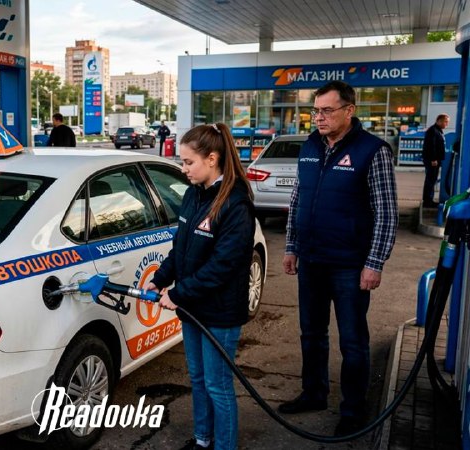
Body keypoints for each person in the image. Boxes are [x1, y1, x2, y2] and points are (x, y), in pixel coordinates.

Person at [280, 81, 398, 436]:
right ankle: (313, 393)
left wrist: (374, 262)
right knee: (311, 334)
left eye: (327, 111)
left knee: (352, 342)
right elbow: (297, 201)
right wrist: (291, 246)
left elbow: (387, 213)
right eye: (315, 111)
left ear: (350, 110)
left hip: (350, 265)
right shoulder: (310, 146)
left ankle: (353, 410)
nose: (319, 118)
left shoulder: (372, 151)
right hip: (312, 260)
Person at [146, 123, 255, 450]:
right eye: (182, 161)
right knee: (198, 380)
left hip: (219, 312)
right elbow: (181, 246)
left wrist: (178, 293)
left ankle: (224, 445)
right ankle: (203, 440)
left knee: (218, 385)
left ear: (212, 159)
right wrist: (161, 277)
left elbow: (223, 266)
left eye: (188, 162)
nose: (183, 169)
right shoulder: (193, 195)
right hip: (193, 308)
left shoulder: (236, 203)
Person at [422, 114, 449, 208]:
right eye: (445, 121)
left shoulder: (438, 130)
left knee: (432, 180)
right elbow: (431, 146)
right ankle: (428, 202)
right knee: (430, 180)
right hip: (432, 160)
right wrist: (433, 159)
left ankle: (429, 200)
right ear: (439, 121)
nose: (447, 124)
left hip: (435, 160)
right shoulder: (433, 130)